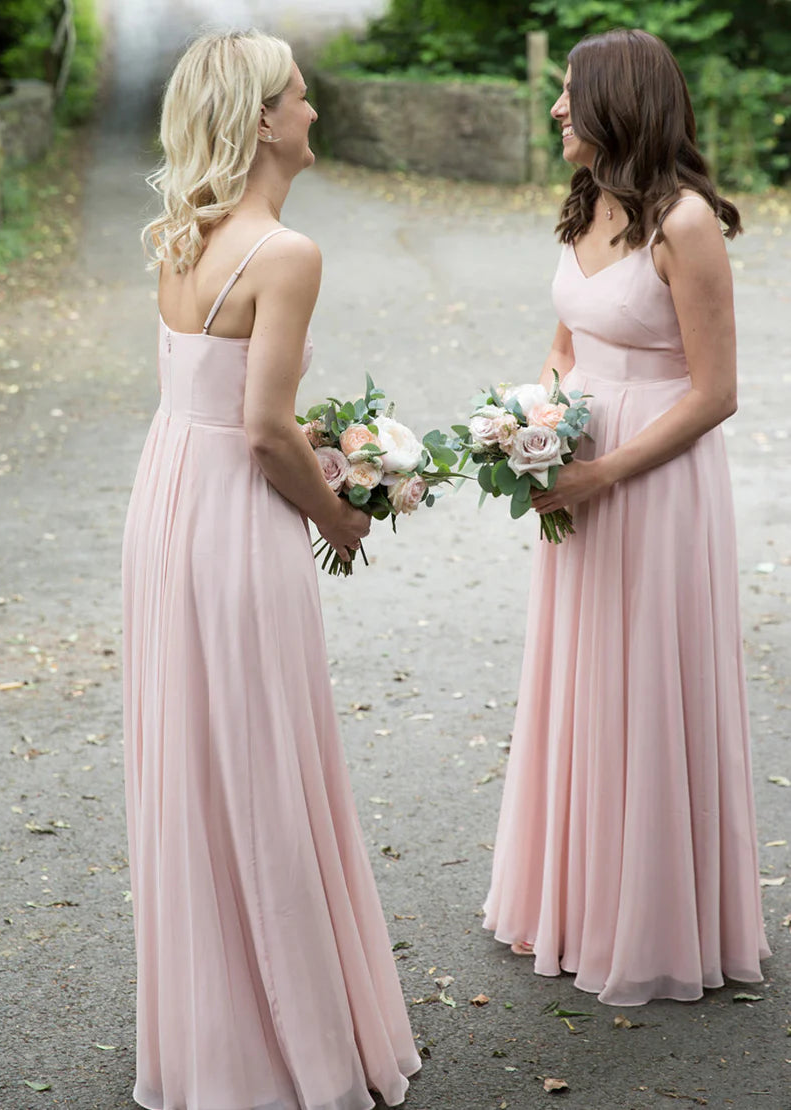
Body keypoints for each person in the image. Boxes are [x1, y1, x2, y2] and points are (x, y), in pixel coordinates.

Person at [122, 29, 420, 1109]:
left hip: (166, 504)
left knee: (200, 760)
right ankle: (284, 1041)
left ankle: (216, 1030)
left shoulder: (181, 233)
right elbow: (263, 429)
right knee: (262, 757)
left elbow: (209, 405)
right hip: (238, 516)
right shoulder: (286, 254)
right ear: (259, 119)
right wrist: (340, 513)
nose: (314, 109)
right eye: (299, 96)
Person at [483, 28, 770, 1006]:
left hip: (655, 477)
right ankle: (575, 896)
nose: (558, 109)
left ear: (616, 103)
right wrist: (540, 424)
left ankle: (652, 916)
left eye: (570, 94)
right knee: (580, 671)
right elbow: (566, 344)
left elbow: (717, 391)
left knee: (647, 677)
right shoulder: (584, 204)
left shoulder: (683, 223)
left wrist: (604, 474)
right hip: (577, 467)